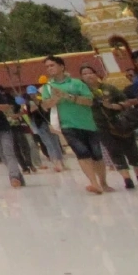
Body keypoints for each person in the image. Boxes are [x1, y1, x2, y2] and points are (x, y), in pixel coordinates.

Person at [39, 55, 107, 195]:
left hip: (87, 123)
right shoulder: (48, 87)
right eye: (47, 67)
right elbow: (45, 105)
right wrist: (55, 98)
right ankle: (94, 183)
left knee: (96, 155)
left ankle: (103, 182)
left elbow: (89, 101)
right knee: (82, 153)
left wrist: (68, 97)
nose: (49, 69)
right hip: (68, 125)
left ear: (62, 66)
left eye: (52, 65)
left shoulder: (77, 83)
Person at [79, 65, 138, 189]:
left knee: (131, 148)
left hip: (120, 122)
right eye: (84, 74)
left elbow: (126, 101)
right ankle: (127, 179)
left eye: (90, 72)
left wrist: (113, 106)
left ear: (96, 74)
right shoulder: (83, 93)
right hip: (101, 126)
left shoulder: (109, 88)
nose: (88, 76)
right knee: (114, 150)